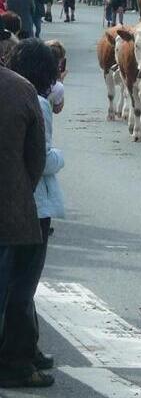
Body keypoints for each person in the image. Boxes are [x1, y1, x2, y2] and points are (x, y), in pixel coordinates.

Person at [0, 42, 48, 389]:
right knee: (11, 290)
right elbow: (36, 159)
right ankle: (14, 364)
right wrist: (20, 191)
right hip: (9, 209)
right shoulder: (20, 88)